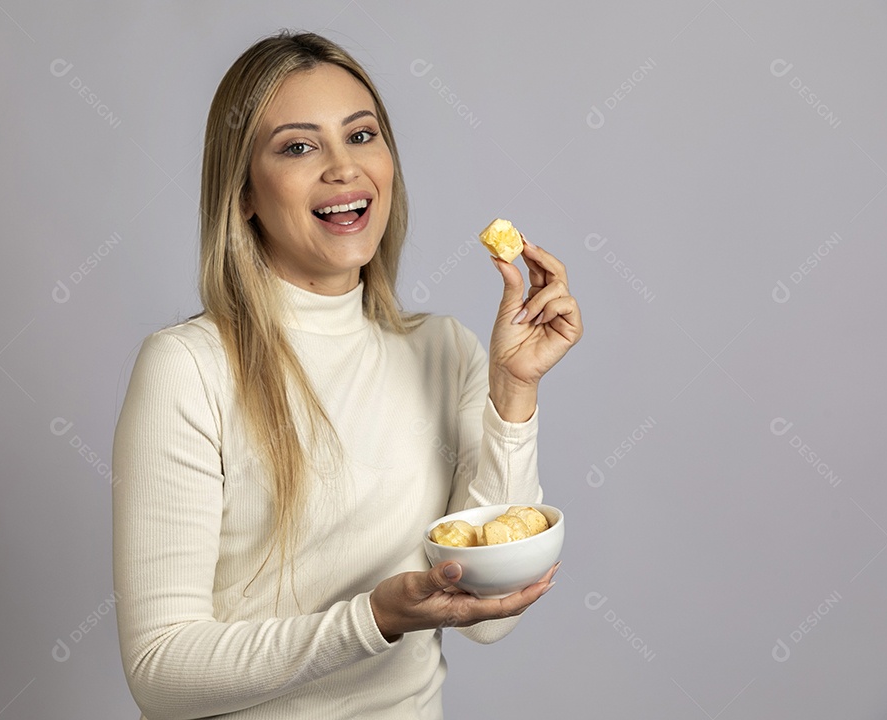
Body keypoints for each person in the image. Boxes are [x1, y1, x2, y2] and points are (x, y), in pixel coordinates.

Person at [111, 30, 582, 720]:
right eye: (299, 147)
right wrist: (373, 621)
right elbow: (161, 671)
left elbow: (488, 618)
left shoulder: (445, 350)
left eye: (361, 136)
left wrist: (514, 393)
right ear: (242, 192)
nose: (342, 168)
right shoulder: (187, 369)